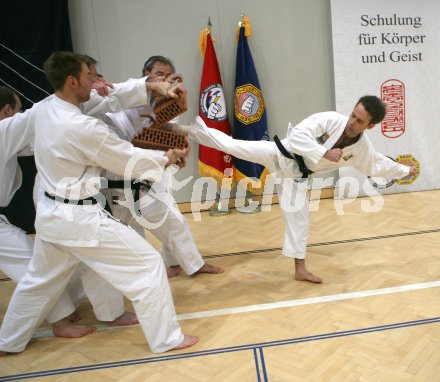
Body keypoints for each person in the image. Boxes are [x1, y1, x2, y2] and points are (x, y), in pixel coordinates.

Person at [0, 52, 198, 356]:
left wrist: (147, 85)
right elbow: (125, 158)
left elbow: (106, 99)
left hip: (51, 217)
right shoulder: (81, 127)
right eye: (90, 77)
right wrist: (166, 157)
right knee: (148, 265)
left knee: (37, 283)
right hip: (79, 219)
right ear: (72, 80)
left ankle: (6, 342)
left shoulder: (44, 110)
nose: (96, 83)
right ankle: (167, 339)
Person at [188, 95, 418, 283]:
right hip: (280, 153)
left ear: (370, 126)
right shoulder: (330, 120)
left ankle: (300, 270)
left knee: (300, 221)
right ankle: (185, 131)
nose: (352, 122)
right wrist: (325, 153)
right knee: (233, 145)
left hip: (296, 177)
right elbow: (297, 135)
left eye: (359, 121)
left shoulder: (361, 149)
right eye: (353, 115)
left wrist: (404, 171)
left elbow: (377, 164)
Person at [0, 81, 155, 337]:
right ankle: (54, 323)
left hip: (56, 211)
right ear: (7, 111)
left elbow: (47, 127)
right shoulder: (8, 130)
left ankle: (52, 321)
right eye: (17, 111)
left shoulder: (17, 133)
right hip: (60, 209)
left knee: (42, 270)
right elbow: (45, 112)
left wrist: (139, 88)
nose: (21, 116)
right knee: (35, 269)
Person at [102, 55, 223, 277]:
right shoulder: (128, 96)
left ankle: (182, 264)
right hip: (121, 176)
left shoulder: (168, 99)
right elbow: (135, 139)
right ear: (145, 76)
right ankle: (158, 270)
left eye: (168, 75)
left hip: (149, 171)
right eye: (159, 74)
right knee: (138, 232)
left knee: (172, 221)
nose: (164, 79)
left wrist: (177, 150)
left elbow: (164, 132)